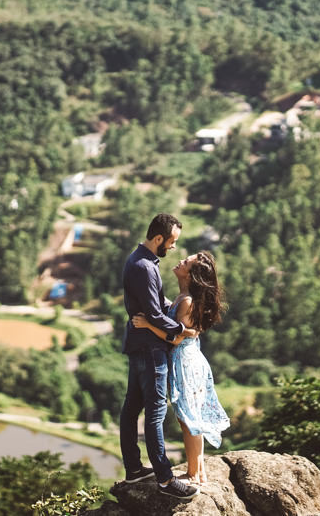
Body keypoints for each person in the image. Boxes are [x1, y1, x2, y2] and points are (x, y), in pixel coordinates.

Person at [119, 213, 200, 500]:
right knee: (155, 411)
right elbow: (153, 314)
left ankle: (134, 468)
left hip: (139, 344)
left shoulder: (141, 261)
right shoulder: (144, 267)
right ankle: (165, 480)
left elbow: (154, 304)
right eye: (172, 242)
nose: (173, 248)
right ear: (158, 239)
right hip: (151, 349)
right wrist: (183, 330)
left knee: (132, 408)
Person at [132, 250, 230, 485]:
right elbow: (185, 331)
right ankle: (200, 471)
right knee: (189, 416)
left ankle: (194, 474)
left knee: (188, 419)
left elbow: (174, 338)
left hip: (185, 362)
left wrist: (147, 324)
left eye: (186, 262)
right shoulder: (183, 297)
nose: (180, 261)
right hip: (188, 359)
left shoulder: (186, 301)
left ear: (192, 274)